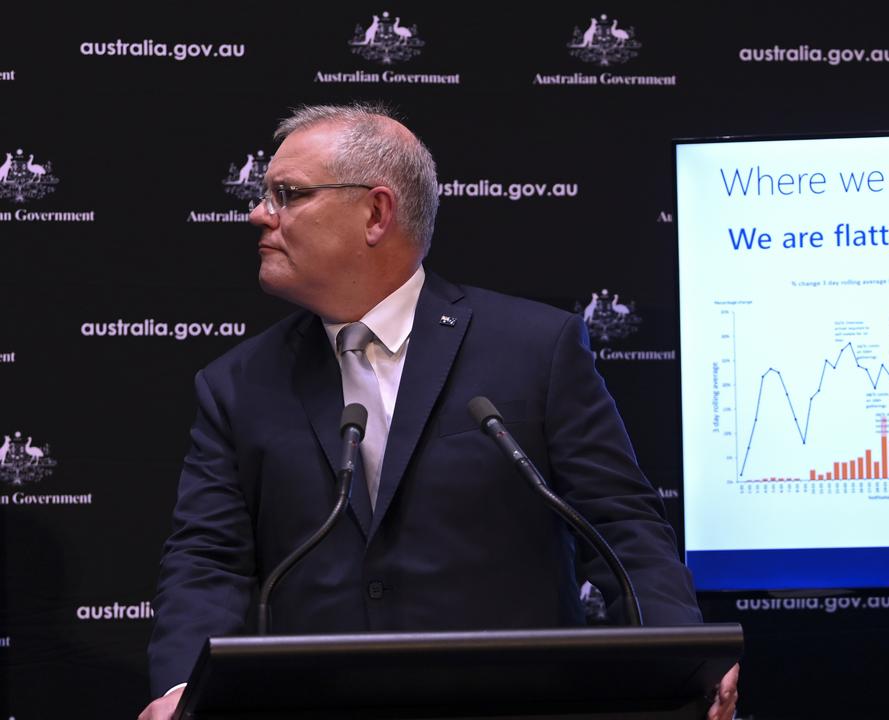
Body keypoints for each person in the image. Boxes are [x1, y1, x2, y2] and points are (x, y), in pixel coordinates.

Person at [138, 103, 738, 719]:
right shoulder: (236, 384)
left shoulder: (533, 350)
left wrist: (683, 662)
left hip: (512, 706)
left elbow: (619, 524)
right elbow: (208, 558)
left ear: (375, 213)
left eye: (287, 194)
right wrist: (182, 689)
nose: (258, 214)